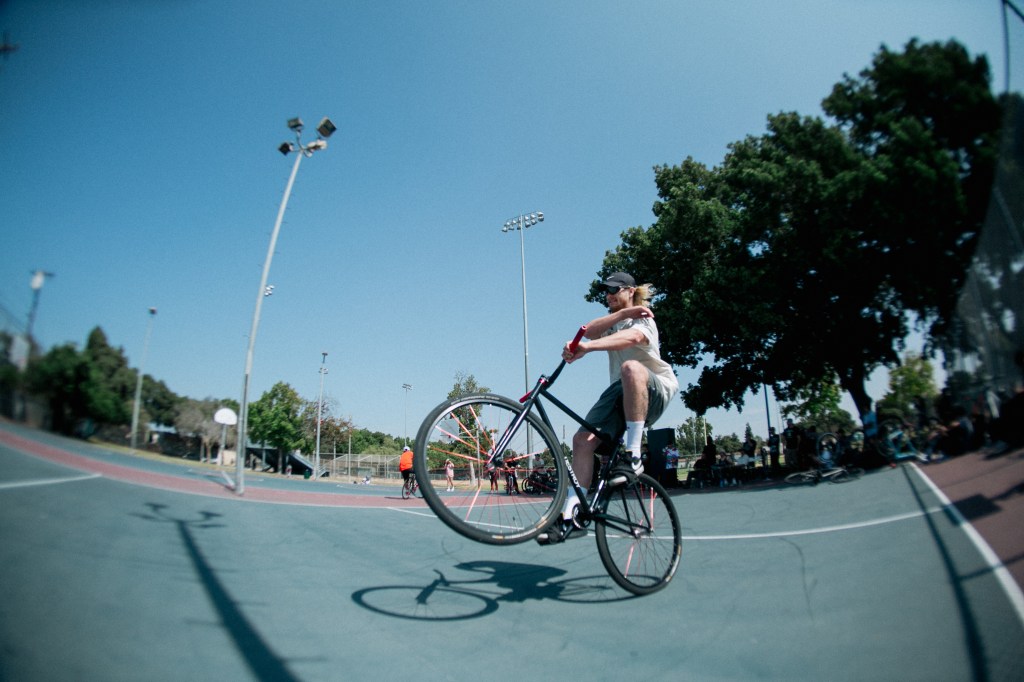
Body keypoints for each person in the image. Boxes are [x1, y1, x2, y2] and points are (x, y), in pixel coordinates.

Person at [538, 272, 679, 544]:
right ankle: (572, 515)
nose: (609, 295)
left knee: (630, 368)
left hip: (655, 388)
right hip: (620, 391)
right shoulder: (615, 320)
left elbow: (633, 338)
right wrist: (586, 341)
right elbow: (587, 330)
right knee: (582, 441)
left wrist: (589, 348)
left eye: (615, 290)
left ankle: (634, 455)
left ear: (631, 291)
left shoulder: (643, 317)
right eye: (607, 291)